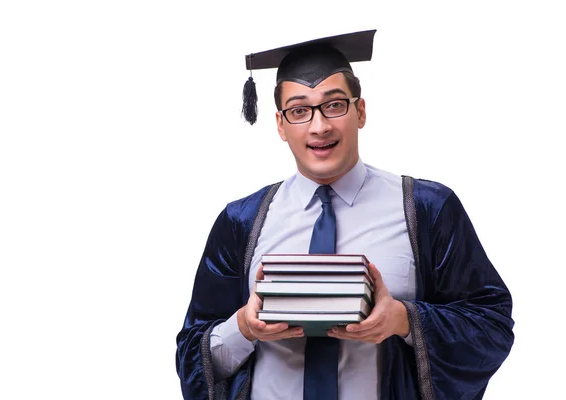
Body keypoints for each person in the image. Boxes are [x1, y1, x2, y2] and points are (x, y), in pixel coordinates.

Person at [175, 29, 514, 400]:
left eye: (334, 105)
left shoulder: (427, 209)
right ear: (281, 126)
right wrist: (244, 327)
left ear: (361, 111)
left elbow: (491, 326)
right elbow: (192, 357)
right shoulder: (241, 221)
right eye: (300, 111)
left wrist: (403, 320)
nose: (320, 126)